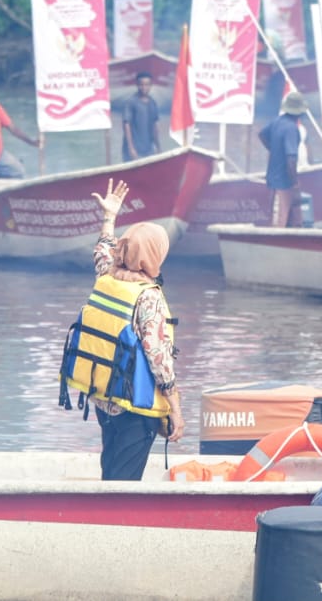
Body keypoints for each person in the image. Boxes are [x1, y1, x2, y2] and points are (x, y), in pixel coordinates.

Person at [83, 179, 183, 480]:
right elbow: (158, 358)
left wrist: (109, 218)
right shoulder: (148, 297)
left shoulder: (107, 276)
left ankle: (98, 521)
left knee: (110, 469)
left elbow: (103, 250)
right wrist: (175, 408)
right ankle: (108, 524)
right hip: (134, 406)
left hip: (104, 397)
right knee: (123, 481)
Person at [258, 90, 308, 227]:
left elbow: (262, 135)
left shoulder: (277, 122)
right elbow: (291, 159)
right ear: (299, 112)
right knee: (281, 219)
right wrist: (294, 183)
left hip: (272, 178)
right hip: (284, 181)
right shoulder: (291, 128)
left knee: (288, 216)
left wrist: (274, 149)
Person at [121, 71, 160, 161]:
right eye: (141, 85)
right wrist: (131, 149)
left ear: (151, 85)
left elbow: (155, 127)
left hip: (148, 150)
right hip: (133, 151)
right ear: (137, 85)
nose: (144, 87)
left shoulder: (153, 103)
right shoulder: (130, 102)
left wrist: (158, 147)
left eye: (147, 85)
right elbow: (126, 126)